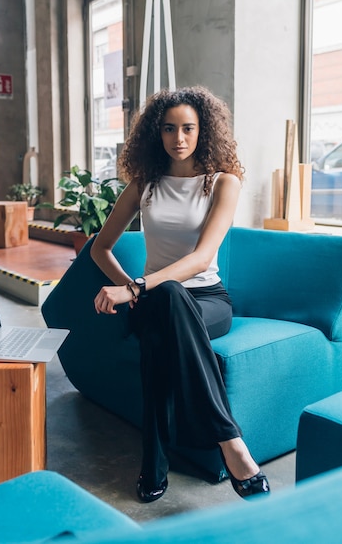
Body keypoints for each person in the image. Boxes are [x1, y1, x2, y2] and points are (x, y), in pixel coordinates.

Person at [91, 85, 270, 503]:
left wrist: (134, 286)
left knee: (166, 316)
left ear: (203, 130)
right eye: (169, 129)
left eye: (188, 128)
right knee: (165, 303)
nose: (179, 138)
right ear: (157, 134)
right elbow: (100, 247)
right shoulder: (144, 185)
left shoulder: (224, 183)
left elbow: (201, 258)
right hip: (154, 300)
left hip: (208, 301)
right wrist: (129, 288)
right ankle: (231, 445)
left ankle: (154, 462)